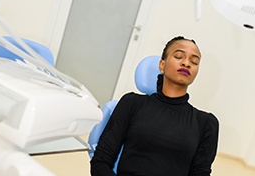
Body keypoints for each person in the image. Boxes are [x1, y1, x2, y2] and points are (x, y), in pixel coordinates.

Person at [90, 36, 219, 176]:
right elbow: (101, 161)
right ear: (162, 65)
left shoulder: (206, 123)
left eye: (194, 61)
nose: (186, 63)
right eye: (178, 56)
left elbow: (200, 173)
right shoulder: (132, 103)